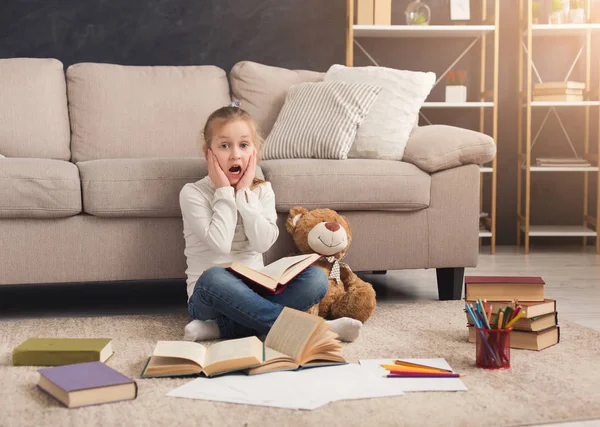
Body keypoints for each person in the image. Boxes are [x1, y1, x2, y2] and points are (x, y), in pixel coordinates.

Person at [180, 103, 363, 342]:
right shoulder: (192, 193)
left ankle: (218, 329)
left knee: (317, 279)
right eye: (225, 146)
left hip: (258, 290)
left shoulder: (262, 191)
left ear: (254, 151)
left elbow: (262, 243)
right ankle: (318, 329)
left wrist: (245, 196)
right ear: (209, 153)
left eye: (244, 145)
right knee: (215, 275)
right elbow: (220, 246)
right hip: (209, 298)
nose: (235, 154)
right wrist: (224, 191)